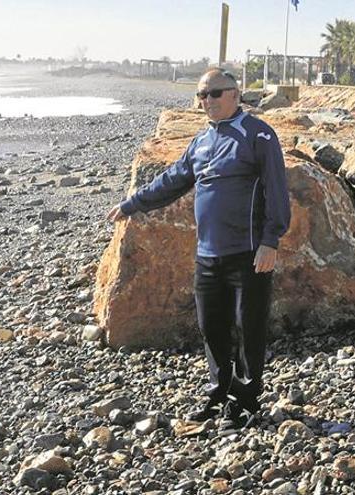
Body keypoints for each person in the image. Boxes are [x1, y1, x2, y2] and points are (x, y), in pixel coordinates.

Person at [107, 68, 290, 429]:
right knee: (212, 328)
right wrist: (133, 203)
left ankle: (246, 402)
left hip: (249, 253)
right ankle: (218, 395)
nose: (207, 101)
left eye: (214, 93)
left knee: (248, 328)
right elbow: (174, 180)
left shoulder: (258, 135)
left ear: (236, 94)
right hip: (208, 255)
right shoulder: (202, 141)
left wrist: (271, 241)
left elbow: (277, 191)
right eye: (201, 96)